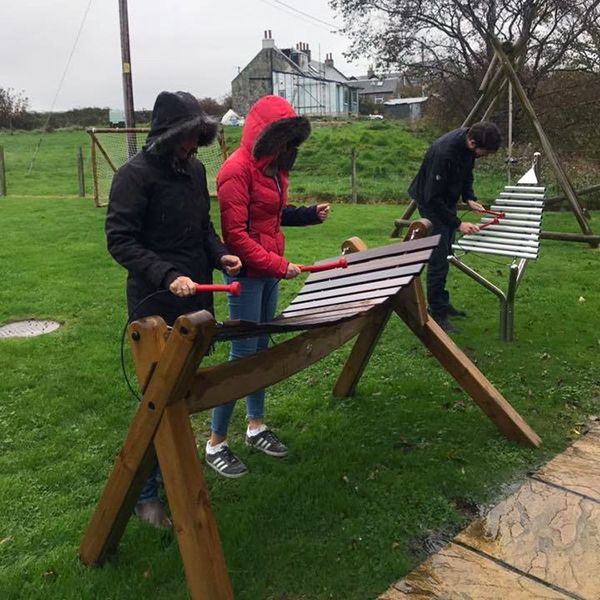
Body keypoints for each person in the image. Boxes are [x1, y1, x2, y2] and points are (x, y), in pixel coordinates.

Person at [105, 90, 242, 527]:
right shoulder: (134, 176)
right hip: (154, 305)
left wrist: (220, 254)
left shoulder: (195, 169)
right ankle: (145, 493)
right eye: (184, 138)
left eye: (195, 138)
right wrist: (166, 275)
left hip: (195, 300)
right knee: (156, 398)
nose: (189, 146)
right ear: (166, 134)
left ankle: (169, 473)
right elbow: (120, 241)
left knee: (180, 393)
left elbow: (202, 228)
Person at [206, 95, 330, 478]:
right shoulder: (235, 171)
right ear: (264, 135)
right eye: (283, 140)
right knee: (243, 355)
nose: (288, 149)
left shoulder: (274, 169)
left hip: (269, 272)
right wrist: (279, 265)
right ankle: (215, 443)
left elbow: (270, 217)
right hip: (245, 275)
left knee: (260, 348)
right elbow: (237, 236)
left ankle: (255, 426)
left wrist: (307, 216)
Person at [408, 121, 501, 333]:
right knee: (439, 258)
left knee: (447, 252)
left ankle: (442, 302)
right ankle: (436, 313)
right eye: (484, 152)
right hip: (430, 203)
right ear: (472, 141)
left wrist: (469, 197)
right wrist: (458, 224)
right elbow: (433, 198)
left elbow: (467, 173)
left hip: (445, 200)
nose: (483, 156)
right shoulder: (444, 153)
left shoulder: (470, 146)